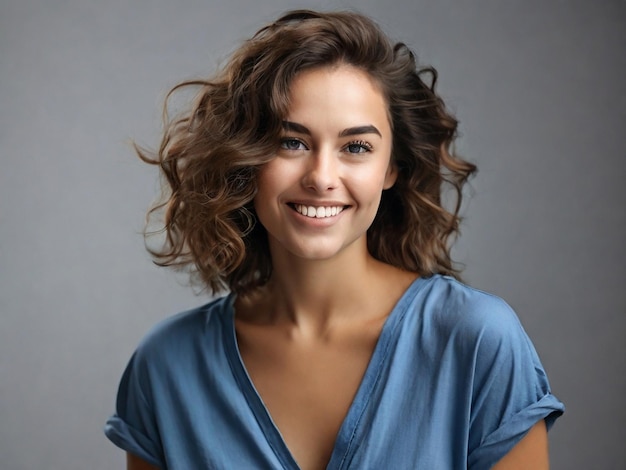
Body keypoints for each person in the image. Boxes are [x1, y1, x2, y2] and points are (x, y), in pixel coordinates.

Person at [105, 9, 564, 470]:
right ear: (246, 160)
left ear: (391, 169)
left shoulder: (477, 341)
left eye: (357, 147)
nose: (322, 178)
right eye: (292, 142)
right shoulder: (166, 367)